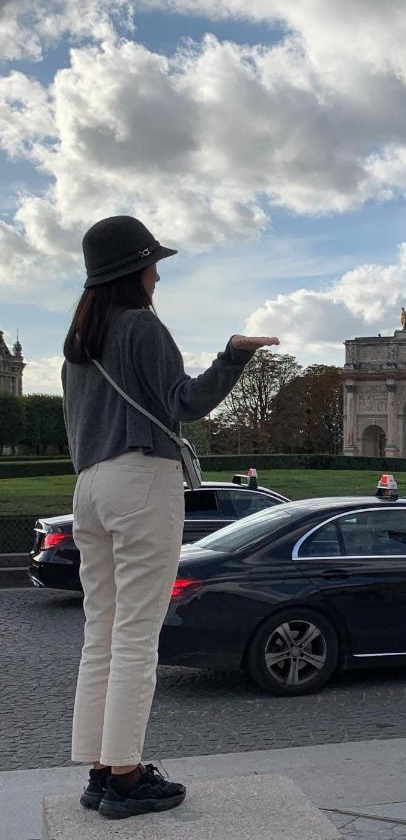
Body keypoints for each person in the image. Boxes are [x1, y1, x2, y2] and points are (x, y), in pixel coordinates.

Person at [62, 215, 278, 820]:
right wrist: (232, 358)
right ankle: (127, 777)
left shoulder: (78, 343)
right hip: (141, 479)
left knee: (100, 633)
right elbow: (188, 402)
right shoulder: (142, 328)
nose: (158, 272)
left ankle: (100, 768)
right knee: (136, 633)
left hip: (89, 486)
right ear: (134, 269)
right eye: (152, 262)